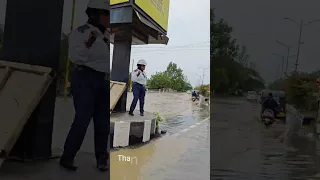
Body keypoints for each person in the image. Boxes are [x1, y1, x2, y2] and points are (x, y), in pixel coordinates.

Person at [59, 0, 110, 172]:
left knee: (103, 122)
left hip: (102, 81)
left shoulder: (105, 36)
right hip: (85, 78)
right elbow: (76, 57)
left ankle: (102, 159)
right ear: (95, 14)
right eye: (106, 14)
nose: (109, 19)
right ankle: (67, 157)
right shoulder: (81, 32)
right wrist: (90, 41)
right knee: (82, 119)